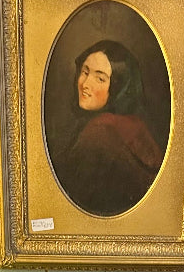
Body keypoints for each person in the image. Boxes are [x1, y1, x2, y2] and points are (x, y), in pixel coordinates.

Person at [53, 40, 164, 217]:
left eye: (100, 78)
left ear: (119, 88)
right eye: (85, 72)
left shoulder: (101, 132)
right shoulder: (131, 125)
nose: (85, 84)